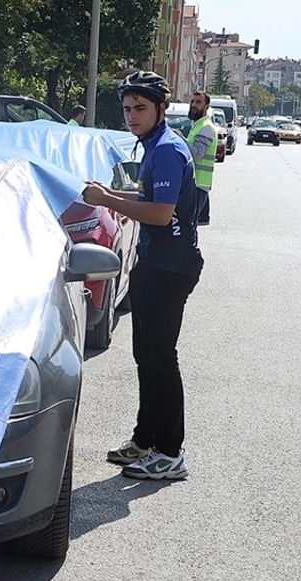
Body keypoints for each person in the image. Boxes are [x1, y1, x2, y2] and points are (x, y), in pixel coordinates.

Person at [82, 71, 202, 481]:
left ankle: (169, 453)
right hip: (155, 263)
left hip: (171, 267)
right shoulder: (154, 145)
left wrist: (108, 199)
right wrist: (110, 195)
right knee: (146, 359)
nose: (132, 115)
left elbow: (160, 212)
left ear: (161, 109)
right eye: (128, 108)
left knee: (160, 360)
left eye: (141, 108)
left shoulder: (167, 149)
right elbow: (149, 198)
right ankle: (146, 439)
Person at [185, 90, 217, 225]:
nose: (193, 105)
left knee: (188, 226)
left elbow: (197, 154)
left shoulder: (206, 128)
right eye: (192, 101)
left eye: (198, 102)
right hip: (193, 184)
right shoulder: (197, 126)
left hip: (198, 185)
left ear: (207, 106)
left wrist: (180, 140)